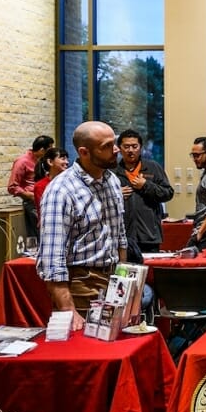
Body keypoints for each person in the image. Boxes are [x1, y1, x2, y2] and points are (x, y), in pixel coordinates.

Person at [36, 122, 127, 328]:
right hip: (82, 284)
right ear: (84, 152)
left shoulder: (111, 180)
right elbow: (52, 258)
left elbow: (119, 234)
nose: (116, 150)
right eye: (107, 146)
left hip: (113, 280)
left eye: (114, 143)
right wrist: (68, 309)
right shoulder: (61, 190)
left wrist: (122, 280)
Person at [115, 129, 174, 253]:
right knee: (123, 271)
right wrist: (116, 194)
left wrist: (146, 185)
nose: (130, 150)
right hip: (121, 237)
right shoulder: (112, 172)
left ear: (140, 147)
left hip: (149, 235)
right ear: (119, 148)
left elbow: (168, 193)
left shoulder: (153, 167)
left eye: (134, 146)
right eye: (126, 147)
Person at [8, 134, 55, 237]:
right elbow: (12, 186)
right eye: (50, 149)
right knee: (39, 234)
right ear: (42, 150)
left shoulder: (43, 161)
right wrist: (30, 196)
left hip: (44, 200)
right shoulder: (22, 162)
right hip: (32, 203)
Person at [32, 147, 70, 223]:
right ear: (50, 162)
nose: (67, 162)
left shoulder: (69, 182)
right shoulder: (40, 186)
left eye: (67, 159)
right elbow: (43, 211)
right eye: (63, 159)